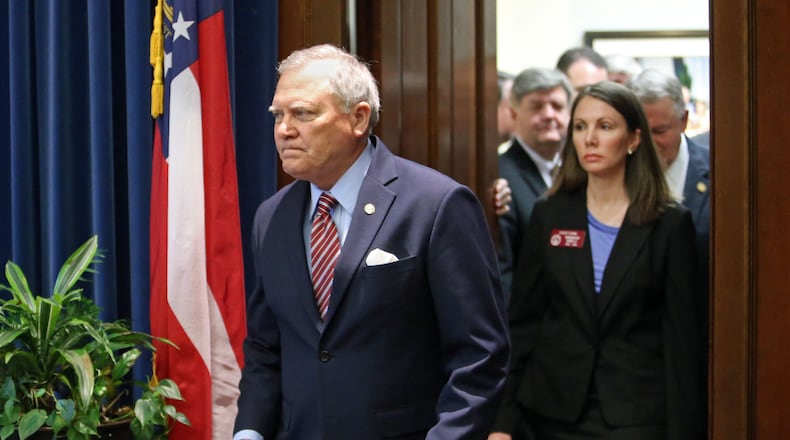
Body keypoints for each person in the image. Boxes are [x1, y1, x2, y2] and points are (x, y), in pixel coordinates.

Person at [233, 44, 510, 440]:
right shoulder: (270, 217)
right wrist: (249, 433)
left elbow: (480, 355)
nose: (284, 129)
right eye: (278, 115)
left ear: (358, 118)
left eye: (303, 114)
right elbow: (266, 348)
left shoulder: (436, 205)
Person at [489, 81, 704, 440]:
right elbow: (525, 322)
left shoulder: (669, 222)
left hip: (636, 415)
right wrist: (502, 422)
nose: (590, 139)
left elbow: (681, 341)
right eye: (581, 126)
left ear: (634, 139)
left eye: (605, 127)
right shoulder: (550, 214)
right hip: (551, 410)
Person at [627, 69, 710, 326]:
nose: (650, 144)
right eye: (640, 132)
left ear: (684, 120)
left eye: (660, 131)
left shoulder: (721, 175)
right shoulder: (612, 177)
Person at [497, 68, 572, 305]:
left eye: (557, 106)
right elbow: (502, 272)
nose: (549, 115)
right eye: (537, 107)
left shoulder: (583, 173)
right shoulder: (500, 177)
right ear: (513, 113)